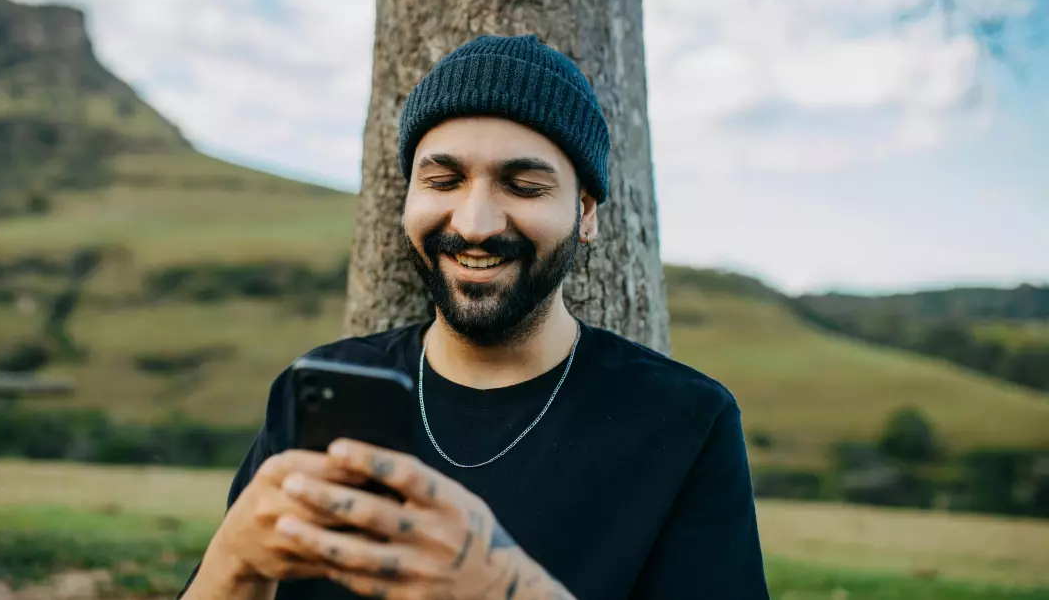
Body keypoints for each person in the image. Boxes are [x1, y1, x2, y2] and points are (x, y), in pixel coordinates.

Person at [178, 34, 770, 599]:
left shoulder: (685, 422)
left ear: (584, 212)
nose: (475, 223)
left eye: (523, 186)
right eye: (443, 180)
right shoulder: (319, 390)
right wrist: (234, 559)